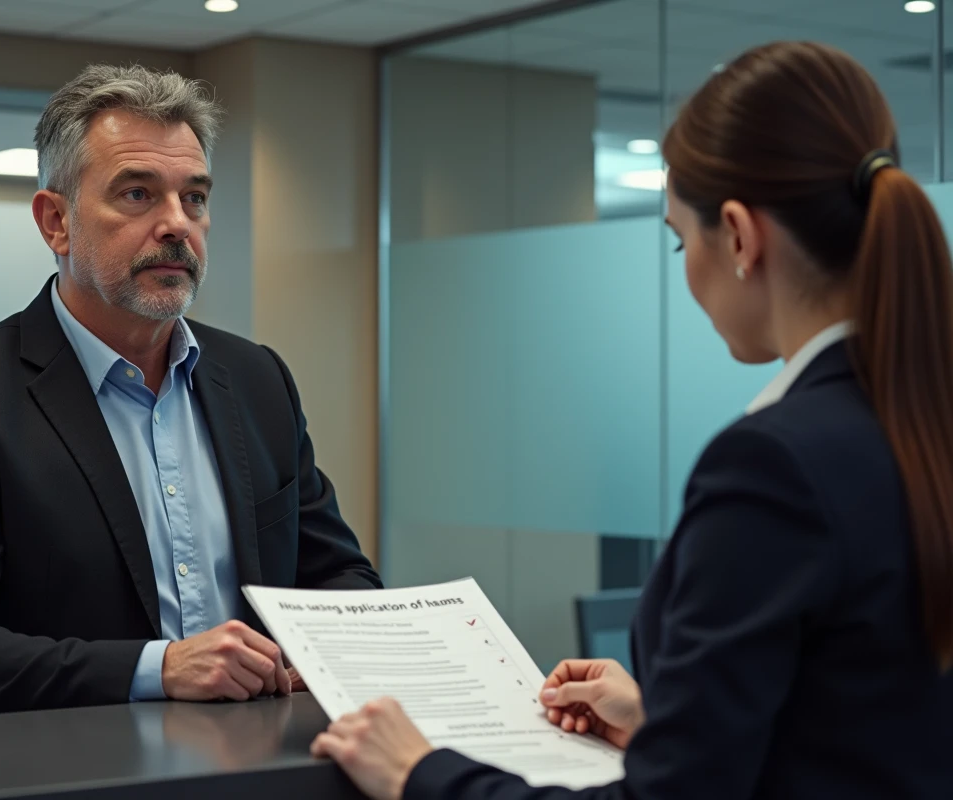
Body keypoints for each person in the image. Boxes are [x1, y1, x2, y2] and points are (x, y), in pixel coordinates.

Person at [310, 41, 953, 800]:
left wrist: (421, 773)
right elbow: (864, 723)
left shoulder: (776, 464)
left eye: (682, 239)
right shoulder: (913, 421)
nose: (684, 268)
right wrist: (671, 721)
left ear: (742, 237)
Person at [0, 64, 381, 719]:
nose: (177, 224)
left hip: (263, 771)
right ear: (55, 221)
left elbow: (340, 578)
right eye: (138, 195)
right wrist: (159, 668)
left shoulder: (257, 380)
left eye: (194, 198)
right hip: (77, 777)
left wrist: (318, 651)